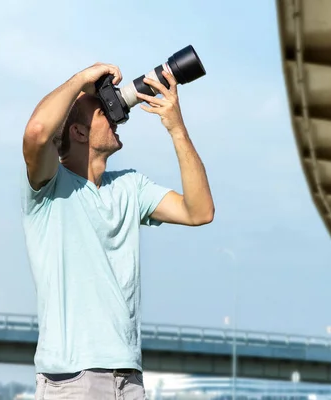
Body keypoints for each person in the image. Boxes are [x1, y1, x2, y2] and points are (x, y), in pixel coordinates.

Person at [20, 61, 214, 399]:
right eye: (102, 110)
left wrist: (176, 128)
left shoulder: (130, 187)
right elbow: (37, 132)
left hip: (128, 376)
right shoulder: (50, 186)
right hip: (73, 377)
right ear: (78, 133)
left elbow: (199, 211)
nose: (117, 112)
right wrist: (83, 81)